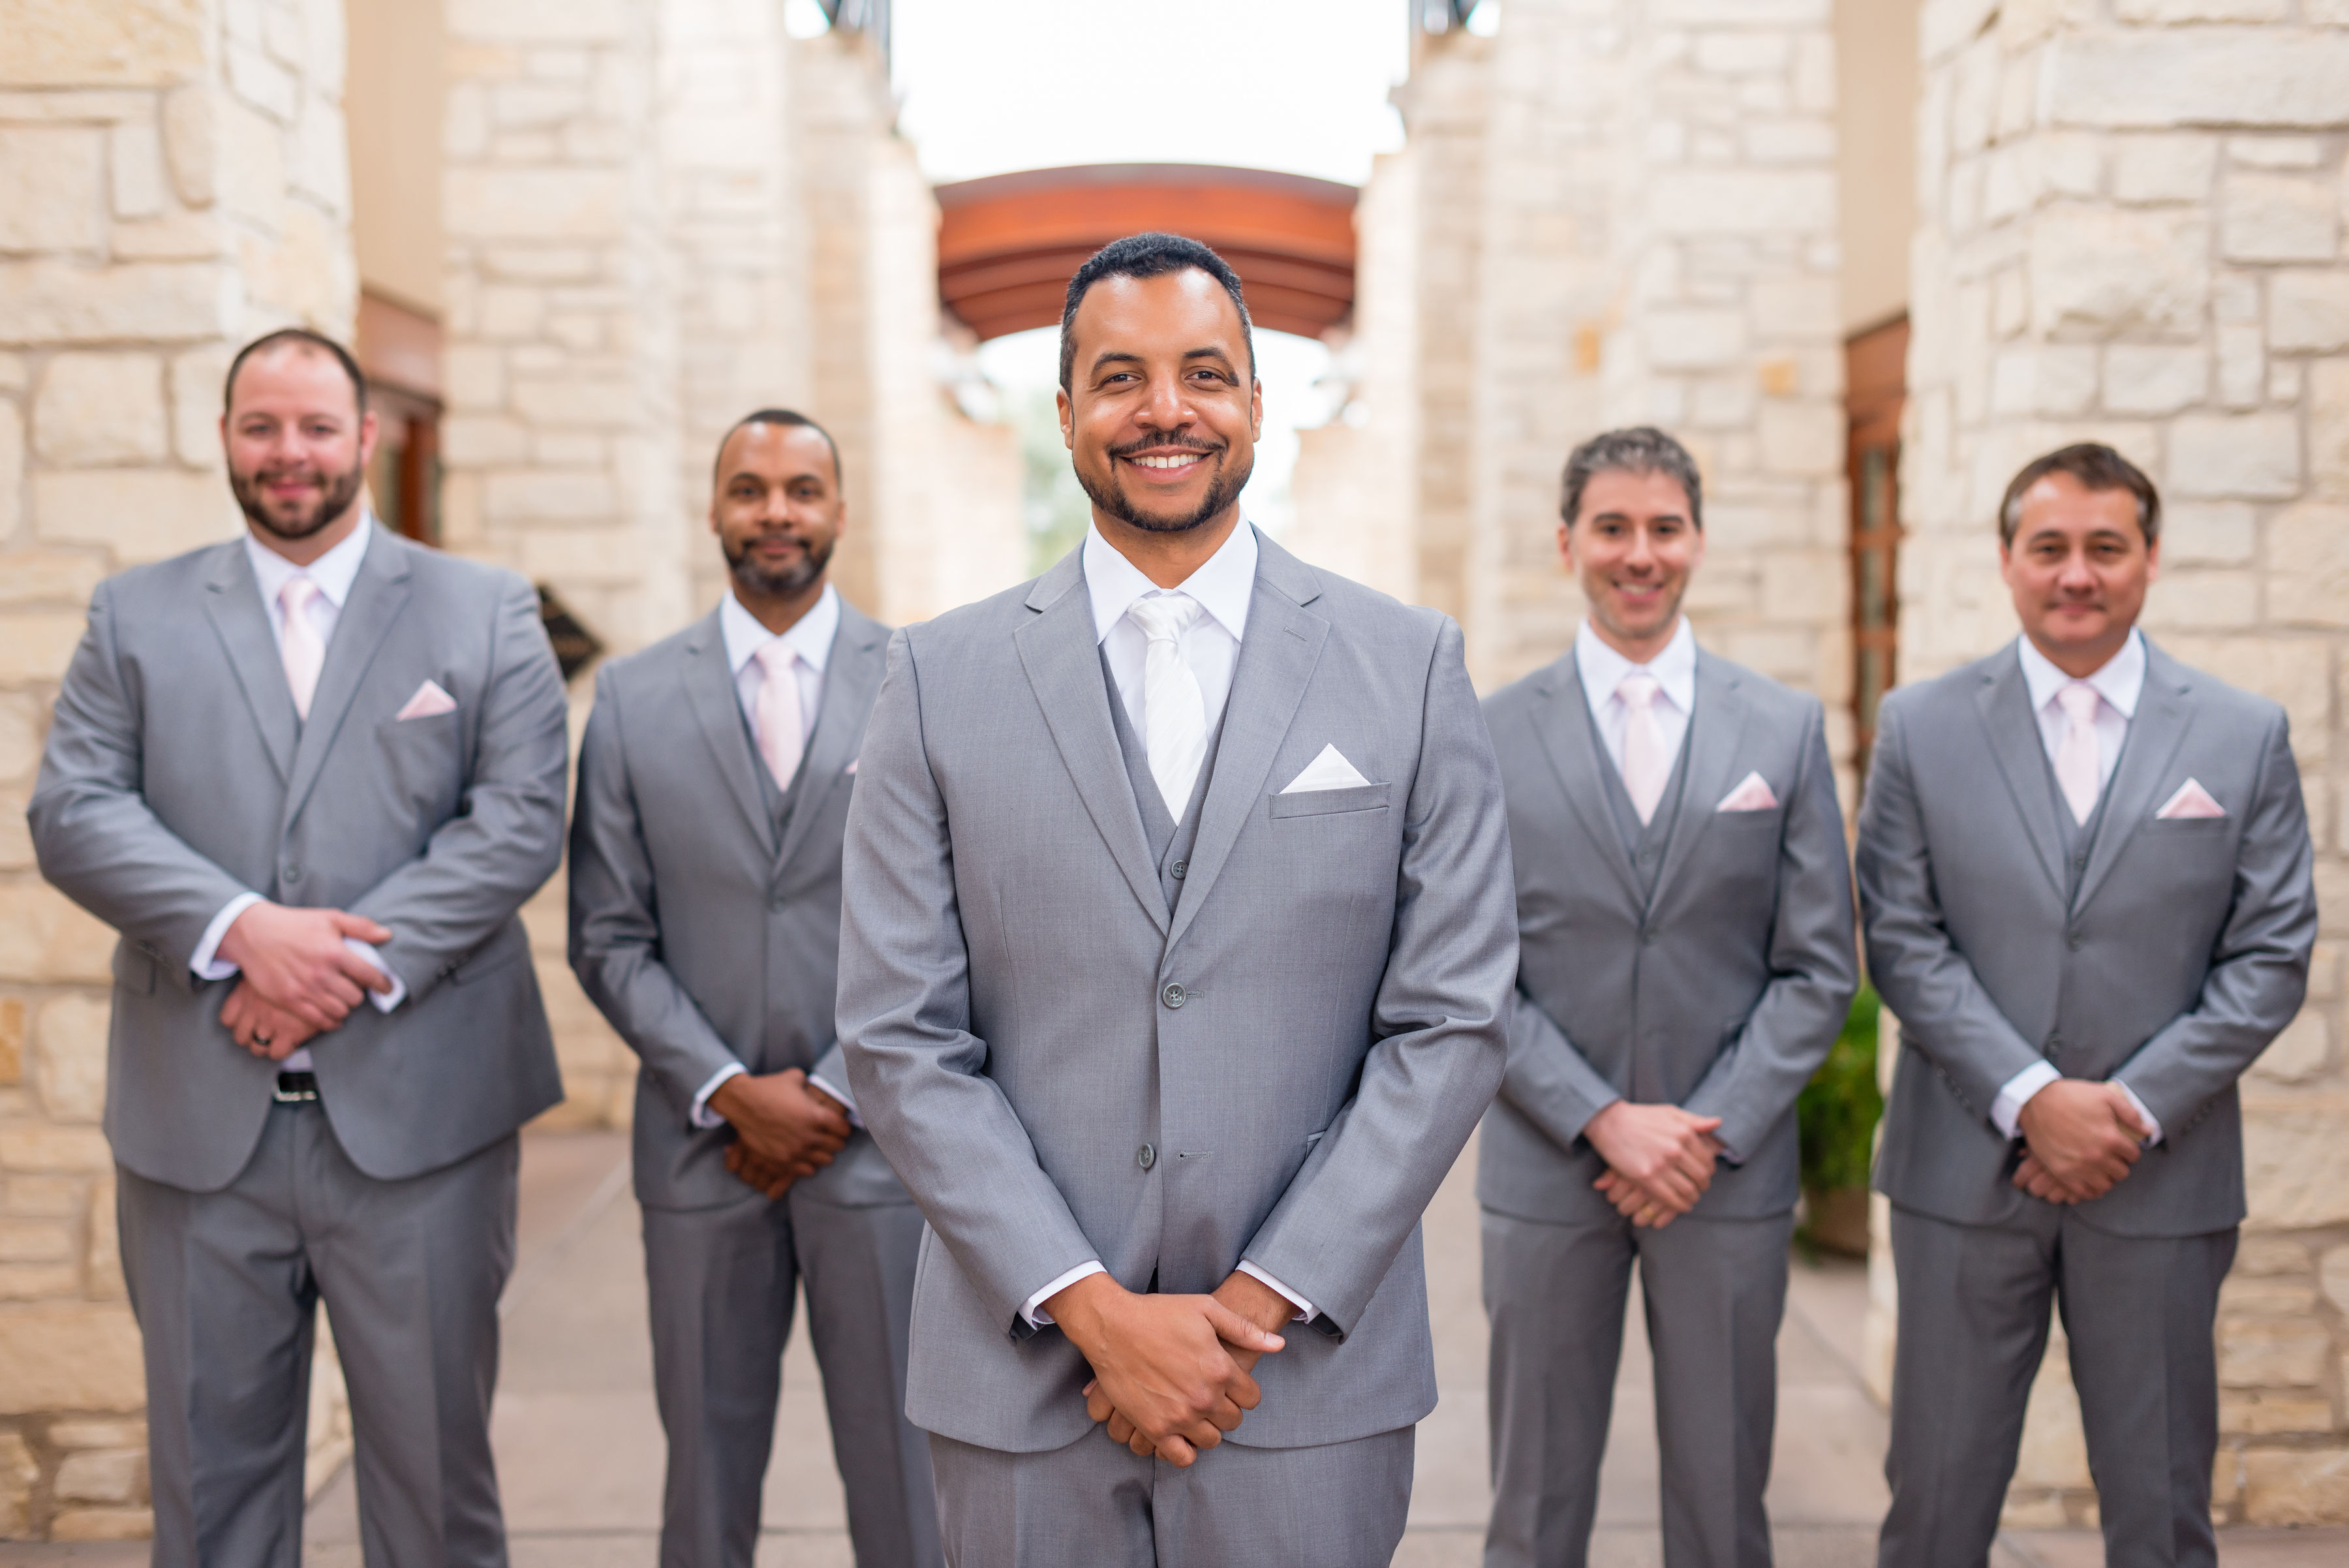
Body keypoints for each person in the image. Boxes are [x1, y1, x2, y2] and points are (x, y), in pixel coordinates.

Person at [834, 232, 1518, 1567]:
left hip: (1304, 1374)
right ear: (1067, 414)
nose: (1166, 409)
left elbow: (1452, 1021)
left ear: (1258, 403)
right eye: (1121, 376)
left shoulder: (1410, 665)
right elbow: (898, 1033)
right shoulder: (935, 678)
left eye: (1206, 373)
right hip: (1022, 1371)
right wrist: (1093, 1308)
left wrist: (1249, 1309)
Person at [29, 328, 570, 1567]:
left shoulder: (481, 609)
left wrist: (334, 971)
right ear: (224, 438)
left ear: (365, 439)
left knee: (435, 1492)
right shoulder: (135, 613)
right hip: (195, 1131)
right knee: (211, 1497)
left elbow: (521, 820)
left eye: (317, 427)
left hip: (423, 1128)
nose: (290, 454)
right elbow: (75, 810)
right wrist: (243, 934)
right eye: (261, 427)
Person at [1858, 443, 2316, 1568]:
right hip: (1960, 1180)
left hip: (2159, 1181)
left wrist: (2125, 1110)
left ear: (2149, 561)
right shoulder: (1920, 726)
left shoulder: (2241, 733)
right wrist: (2030, 1100)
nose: (2077, 574)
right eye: (2049, 547)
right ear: (2008, 562)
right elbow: (1902, 937)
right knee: (1934, 1509)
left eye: (2105, 548)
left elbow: (2271, 953)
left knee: (2161, 1512)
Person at [1476, 427, 1857, 1568]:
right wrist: (1602, 1118)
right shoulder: (1487, 732)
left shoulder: (1780, 728)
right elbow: (1462, 969)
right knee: (1533, 1509)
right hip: (1550, 1170)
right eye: (1612, 528)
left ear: (1696, 541)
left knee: (1725, 1502)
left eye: (1663, 528)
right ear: (1566, 544)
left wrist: (1705, 1131)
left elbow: (1818, 964)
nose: (1639, 554)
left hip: (1722, 1174)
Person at [568, 408, 939, 1568]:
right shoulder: (631, 699)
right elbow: (608, 934)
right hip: (698, 1152)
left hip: (879, 1150)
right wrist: (729, 1088)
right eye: (749, 488)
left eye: (800, 489)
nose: (775, 511)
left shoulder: (921, 679)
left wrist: (836, 1093)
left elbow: (953, 923)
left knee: (907, 1474)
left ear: (838, 510)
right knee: (706, 1475)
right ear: (716, 508)